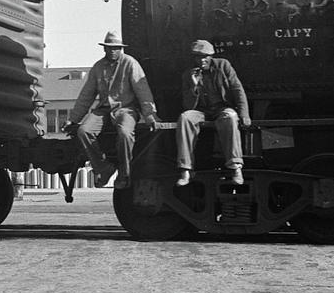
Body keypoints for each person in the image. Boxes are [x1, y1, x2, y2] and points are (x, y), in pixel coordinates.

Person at [67, 31, 158, 189]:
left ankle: (125, 173)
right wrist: (74, 118)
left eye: (116, 48)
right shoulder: (98, 67)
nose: (113, 50)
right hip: (103, 110)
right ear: (104, 49)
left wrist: (150, 115)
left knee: (125, 133)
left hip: (126, 109)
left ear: (121, 48)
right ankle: (103, 168)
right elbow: (86, 95)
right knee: (83, 131)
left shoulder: (130, 63)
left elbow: (142, 90)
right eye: (110, 48)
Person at [175, 39, 250, 187]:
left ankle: (236, 168)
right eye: (197, 57)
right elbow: (187, 105)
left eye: (204, 56)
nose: (201, 60)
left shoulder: (223, 65)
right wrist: (194, 87)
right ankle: (185, 170)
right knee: (185, 118)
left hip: (222, 107)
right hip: (201, 111)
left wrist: (244, 114)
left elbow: (237, 89)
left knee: (230, 117)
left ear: (211, 56)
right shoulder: (187, 74)